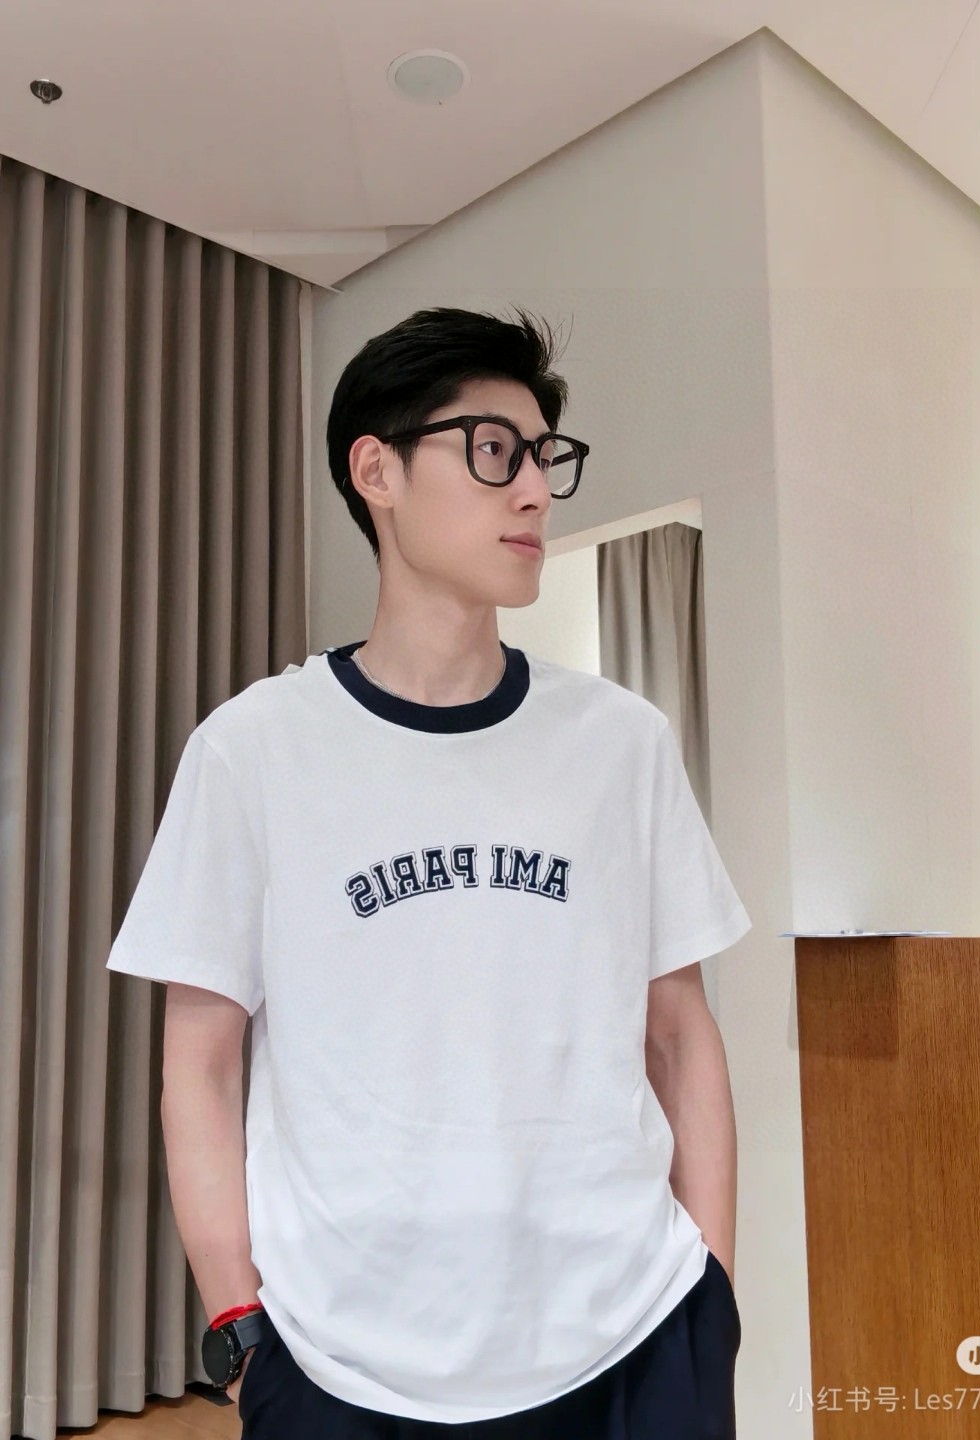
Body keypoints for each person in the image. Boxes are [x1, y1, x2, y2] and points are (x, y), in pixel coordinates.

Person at [105, 306, 752, 1438]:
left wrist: (713, 1295)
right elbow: (198, 1068)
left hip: (634, 1341)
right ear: (378, 472)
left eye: (545, 457)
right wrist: (241, 1333)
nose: (536, 491)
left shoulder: (622, 743)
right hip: (343, 1367)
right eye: (494, 450)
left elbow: (681, 1034)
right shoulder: (253, 750)